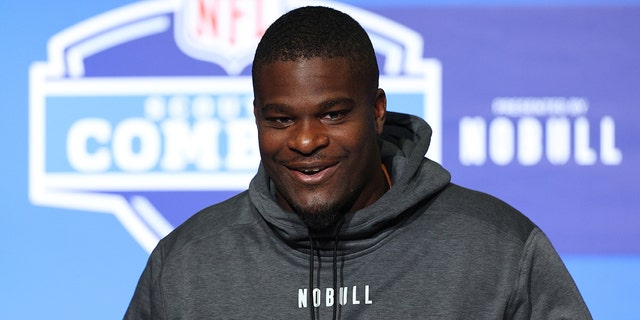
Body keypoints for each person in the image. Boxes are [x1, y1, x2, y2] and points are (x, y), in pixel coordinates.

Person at [124, 6, 591, 319]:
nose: (306, 140)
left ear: (377, 110)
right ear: (256, 117)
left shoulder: (500, 249)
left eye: (333, 113)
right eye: (282, 118)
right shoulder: (185, 264)